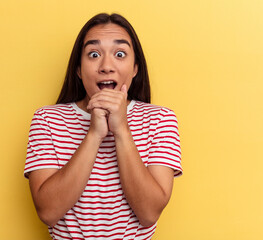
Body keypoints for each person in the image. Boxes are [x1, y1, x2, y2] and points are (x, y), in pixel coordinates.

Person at [24, 13, 182, 240]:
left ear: (135, 68)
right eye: (94, 54)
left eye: (120, 54)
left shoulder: (159, 119)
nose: (106, 66)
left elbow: (149, 213)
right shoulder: (47, 120)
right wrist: (94, 134)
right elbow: (48, 212)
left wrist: (122, 131)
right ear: (78, 70)